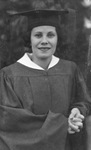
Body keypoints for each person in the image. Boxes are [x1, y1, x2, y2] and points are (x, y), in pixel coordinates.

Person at [0, 8, 91, 150]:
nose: (44, 41)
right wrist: (62, 125)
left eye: (50, 35)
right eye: (38, 35)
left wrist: (77, 111)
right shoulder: (9, 75)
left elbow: (82, 100)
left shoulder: (70, 70)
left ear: (57, 38)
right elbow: (11, 122)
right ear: (29, 39)